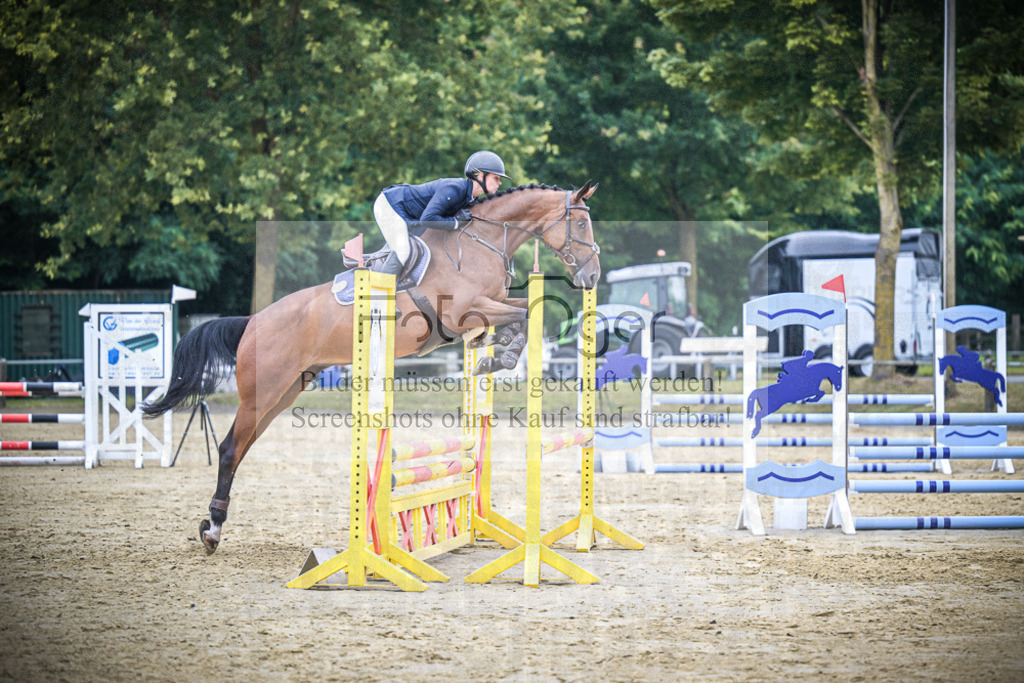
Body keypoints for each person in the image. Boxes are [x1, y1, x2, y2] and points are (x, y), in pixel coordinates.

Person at [373, 150, 510, 276]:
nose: (499, 182)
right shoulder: (453, 189)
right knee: (403, 252)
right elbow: (427, 220)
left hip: (409, 214)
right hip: (391, 204)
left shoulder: (470, 198)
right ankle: (378, 298)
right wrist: (456, 223)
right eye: (496, 178)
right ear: (481, 175)